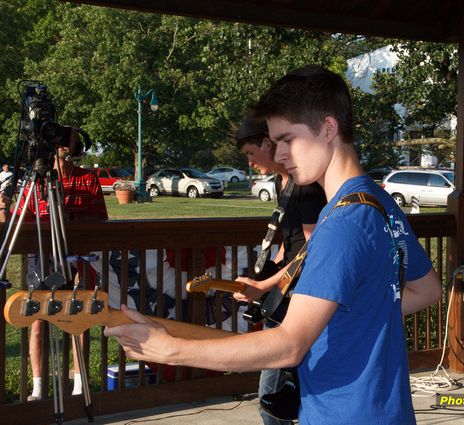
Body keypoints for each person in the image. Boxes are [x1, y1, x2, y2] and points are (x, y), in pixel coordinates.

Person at [105, 65, 441, 425]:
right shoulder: (377, 201)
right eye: (274, 141)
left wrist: (171, 350)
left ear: (328, 129)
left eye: (287, 139)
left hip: (342, 413)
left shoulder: (341, 224)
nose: (278, 154)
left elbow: (289, 344)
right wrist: (345, 318)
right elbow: (426, 289)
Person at [0, 129, 108, 401]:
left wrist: (70, 217)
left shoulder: (89, 178)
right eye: (58, 145)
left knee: (78, 318)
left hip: (78, 256)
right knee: (37, 319)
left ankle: (80, 385)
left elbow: (100, 218)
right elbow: (22, 219)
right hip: (42, 255)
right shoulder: (37, 182)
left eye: (66, 145)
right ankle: (38, 388)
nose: (62, 151)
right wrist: (3, 207)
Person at [233, 113, 326, 425]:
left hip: (301, 295)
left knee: (270, 402)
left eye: (249, 153)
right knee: (281, 397)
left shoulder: (307, 186)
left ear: (265, 142)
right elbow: (291, 240)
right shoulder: (281, 182)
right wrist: (266, 274)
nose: (249, 162)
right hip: (286, 289)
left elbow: (312, 250)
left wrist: (265, 285)